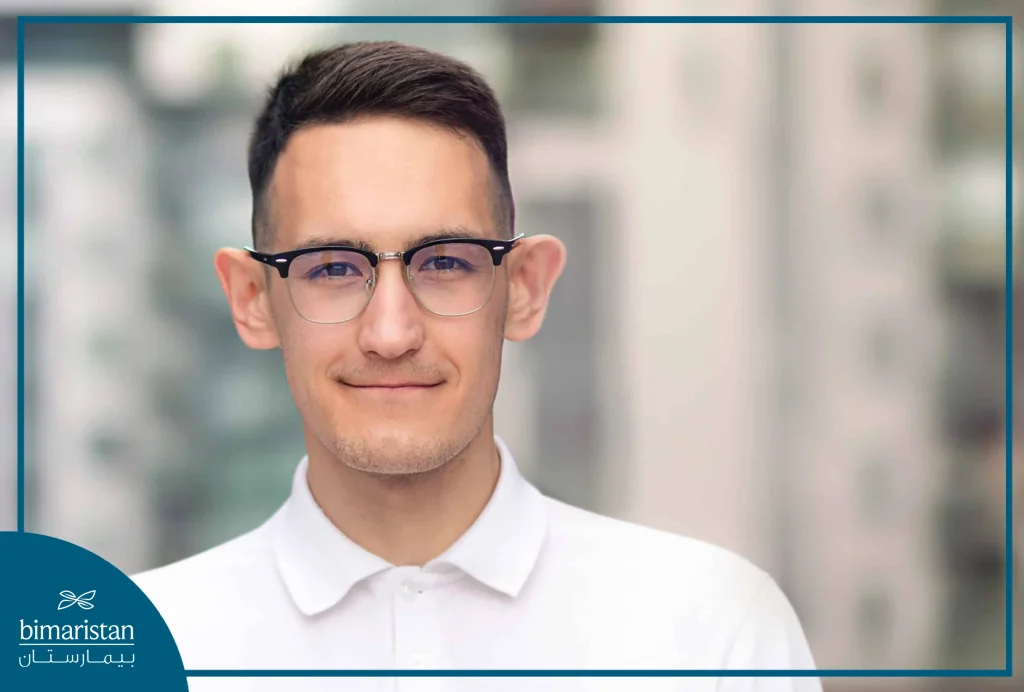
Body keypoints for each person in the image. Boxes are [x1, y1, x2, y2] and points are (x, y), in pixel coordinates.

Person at [132, 40, 821, 691]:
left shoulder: (709, 632)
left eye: (445, 263)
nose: (391, 332)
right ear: (253, 301)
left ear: (522, 289)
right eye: (335, 268)